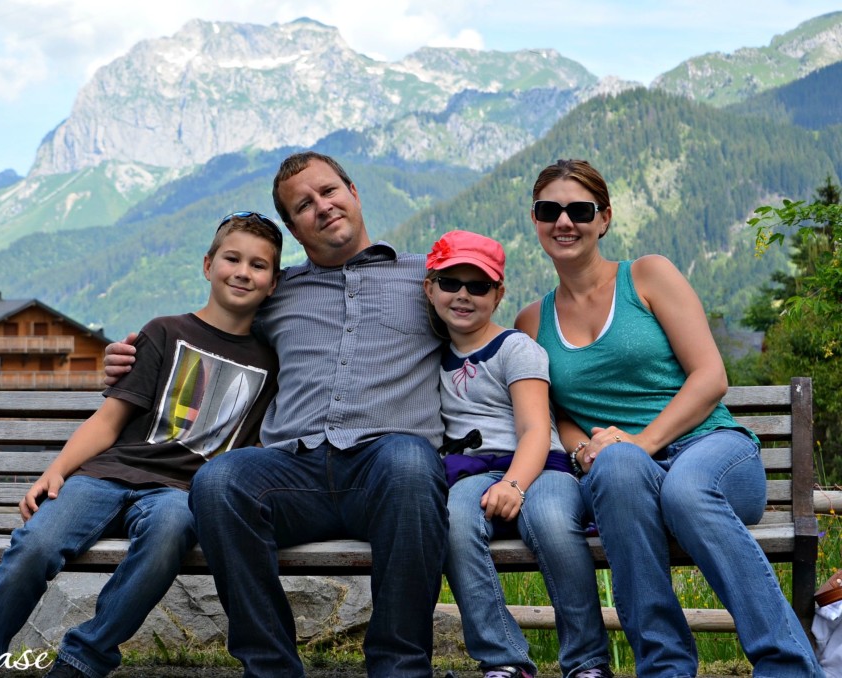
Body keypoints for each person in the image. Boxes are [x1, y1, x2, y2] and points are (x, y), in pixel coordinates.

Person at [104, 151, 448, 678]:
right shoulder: (276, 292)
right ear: (293, 227)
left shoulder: (427, 279)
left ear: (353, 193)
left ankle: (399, 668)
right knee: (219, 481)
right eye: (304, 205)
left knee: (410, 461)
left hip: (387, 468)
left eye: (329, 191)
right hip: (292, 471)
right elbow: (205, 334)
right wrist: (127, 361)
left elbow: (485, 337)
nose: (323, 207)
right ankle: (270, 669)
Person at [0, 213, 282, 678]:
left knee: (169, 535)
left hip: (180, 494)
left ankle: (83, 660)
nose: (243, 271)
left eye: (258, 265)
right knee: (35, 544)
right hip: (105, 476)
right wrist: (57, 469)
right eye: (232, 258)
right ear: (207, 265)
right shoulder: (164, 332)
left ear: (273, 283)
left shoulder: (273, 360)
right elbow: (109, 420)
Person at [513, 159, 824, 677]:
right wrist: (583, 450)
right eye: (550, 210)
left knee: (682, 488)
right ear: (535, 219)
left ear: (604, 218)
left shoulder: (647, 276)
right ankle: (664, 668)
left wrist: (641, 442)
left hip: (711, 449)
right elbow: (557, 414)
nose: (564, 221)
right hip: (622, 477)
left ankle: (787, 666)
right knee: (613, 469)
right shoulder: (532, 321)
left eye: (579, 210)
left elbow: (709, 376)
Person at [424, 230, 611, 678]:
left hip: (537, 467)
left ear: (499, 292)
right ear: (429, 288)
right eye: (450, 283)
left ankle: (587, 660)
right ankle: (503, 659)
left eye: (479, 286)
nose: (463, 295)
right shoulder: (431, 357)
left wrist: (514, 483)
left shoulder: (516, 348)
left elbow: (534, 429)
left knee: (550, 520)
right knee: (452, 521)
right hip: (471, 475)